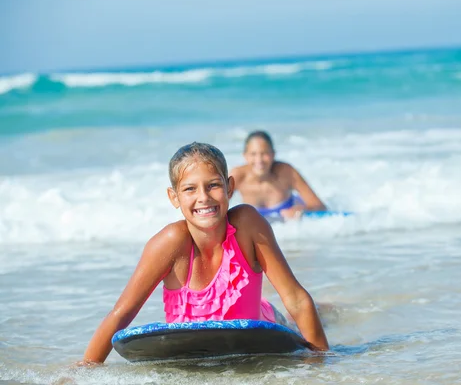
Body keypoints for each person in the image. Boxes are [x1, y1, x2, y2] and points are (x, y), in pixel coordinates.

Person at [79, 142, 329, 365]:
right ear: (173, 197)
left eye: (213, 185)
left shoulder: (247, 224)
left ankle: (328, 309)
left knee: (310, 320)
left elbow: (295, 298)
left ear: (230, 187)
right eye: (190, 189)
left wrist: (322, 360)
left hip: (263, 325)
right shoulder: (169, 243)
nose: (203, 198)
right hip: (199, 346)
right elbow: (122, 312)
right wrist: (86, 368)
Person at [231, 130, 327, 220]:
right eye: (253, 154)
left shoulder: (287, 172)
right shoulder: (238, 176)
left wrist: (300, 210)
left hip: (288, 217)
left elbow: (319, 206)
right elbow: (219, 207)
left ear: (273, 154)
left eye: (264, 153)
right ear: (245, 156)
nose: (259, 160)